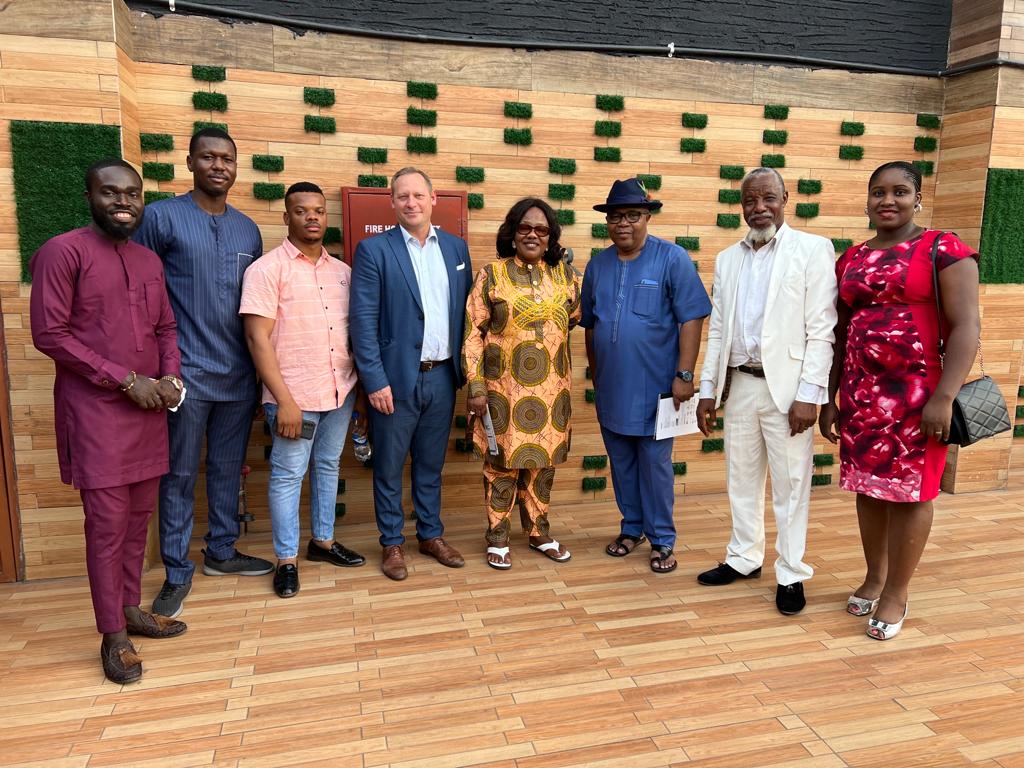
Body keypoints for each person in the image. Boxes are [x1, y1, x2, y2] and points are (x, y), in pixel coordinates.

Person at [30, 159, 187, 684]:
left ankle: (131, 609)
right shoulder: (63, 252)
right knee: (107, 527)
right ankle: (113, 634)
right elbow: (50, 334)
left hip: (149, 412)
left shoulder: (147, 260)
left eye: (133, 194)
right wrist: (125, 379)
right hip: (96, 414)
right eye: (110, 192)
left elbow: (166, 326)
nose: (123, 202)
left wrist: (171, 377)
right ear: (89, 198)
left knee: (138, 520)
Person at [820, 161, 980, 640]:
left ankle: (896, 592)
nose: (887, 201)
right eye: (878, 192)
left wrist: (944, 397)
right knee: (868, 489)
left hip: (919, 397)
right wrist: (830, 397)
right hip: (861, 395)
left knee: (913, 494)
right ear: (867, 200)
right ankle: (874, 576)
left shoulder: (942, 249)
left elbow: (967, 327)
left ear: (917, 198)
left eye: (900, 191)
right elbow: (840, 333)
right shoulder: (851, 258)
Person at [133, 127, 273, 618]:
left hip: (238, 376)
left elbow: (256, 309)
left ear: (236, 167)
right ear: (190, 162)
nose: (218, 166)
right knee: (178, 473)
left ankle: (222, 551)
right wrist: (154, 371)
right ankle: (176, 571)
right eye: (208, 157)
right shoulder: (160, 218)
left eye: (227, 159)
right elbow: (140, 296)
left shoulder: (247, 230)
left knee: (228, 468)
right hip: (184, 374)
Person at [694, 168, 838, 616]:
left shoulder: (813, 250)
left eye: (768, 198)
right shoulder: (727, 259)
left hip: (789, 391)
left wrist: (810, 395)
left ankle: (791, 572)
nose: (759, 208)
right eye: (750, 201)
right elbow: (719, 331)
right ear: (741, 206)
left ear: (785, 199)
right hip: (740, 385)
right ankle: (744, 557)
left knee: (791, 485)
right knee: (740, 477)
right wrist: (707, 389)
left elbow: (822, 330)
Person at [240, 182, 367, 598]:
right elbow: (257, 339)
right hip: (293, 397)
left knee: (328, 466)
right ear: (286, 217)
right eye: (301, 211)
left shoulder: (343, 273)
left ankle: (323, 542)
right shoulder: (266, 270)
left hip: (339, 391)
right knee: (288, 475)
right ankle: (287, 560)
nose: (311, 217)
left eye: (318, 211)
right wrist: (283, 401)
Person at [581, 178, 711, 574]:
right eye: (616, 217)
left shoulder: (672, 258)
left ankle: (662, 539)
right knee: (621, 461)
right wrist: (597, 375)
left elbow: (692, 317)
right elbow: (590, 324)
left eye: (632, 215)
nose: (623, 223)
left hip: (657, 387)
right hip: (612, 385)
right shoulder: (597, 265)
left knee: (655, 466)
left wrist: (684, 374)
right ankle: (631, 527)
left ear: (647, 217)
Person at [350, 167, 473, 580]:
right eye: (402, 196)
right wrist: (374, 381)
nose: (411, 203)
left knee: (430, 464)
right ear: (392, 202)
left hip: (442, 376)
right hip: (395, 380)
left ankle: (430, 535)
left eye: (418, 195)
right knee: (388, 466)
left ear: (433, 199)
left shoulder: (456, 249)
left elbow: (465, 314)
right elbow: (362, 322)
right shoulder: (374, 250)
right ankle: (392, 542)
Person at [463, 198, 581, 569]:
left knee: (542, 466)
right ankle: (497, 536)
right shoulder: (491, 275)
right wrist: (476, 386)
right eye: (525, 228)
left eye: (541, 229)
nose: (533, 235)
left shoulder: (567, 277)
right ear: (512, 234)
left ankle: (538, 532)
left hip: (552, 391)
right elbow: (472, 333)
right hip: (503, 392)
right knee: (501, 465)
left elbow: (572, 319)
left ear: (551, 237)